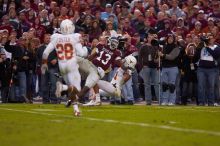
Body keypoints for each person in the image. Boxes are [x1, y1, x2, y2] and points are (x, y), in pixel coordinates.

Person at [41, 19, 88, 116]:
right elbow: (82, 54)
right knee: (77, 89)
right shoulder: (75, 37)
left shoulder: (56, 37)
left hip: (62, 65)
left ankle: (76, 109)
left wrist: (44, 63)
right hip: (72, 64)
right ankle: (63, 87)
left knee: (72, 89)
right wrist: (85, 48)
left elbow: (45, 53)